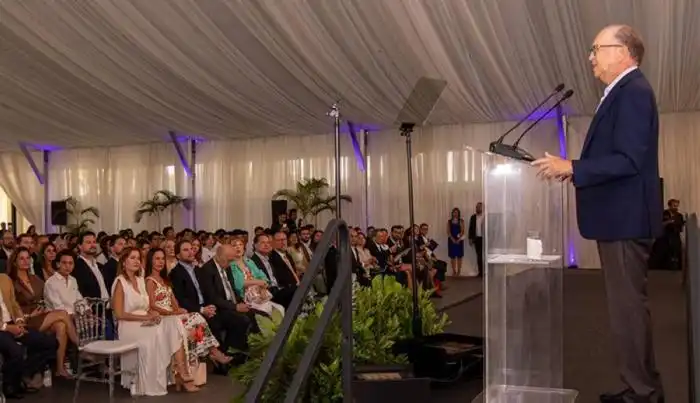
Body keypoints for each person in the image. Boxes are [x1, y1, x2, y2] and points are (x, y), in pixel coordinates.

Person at [532, 25, 663, 403]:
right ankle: (640, 385)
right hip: (619, 217)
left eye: (597, 49)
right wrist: (575, 170)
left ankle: (642, 392)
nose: (591, 56)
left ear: (623, 52)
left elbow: (627, 159)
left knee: (627, 311)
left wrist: (573, 166)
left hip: (625, 219)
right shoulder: (621, 92)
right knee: (627, 310)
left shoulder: (633, 91)